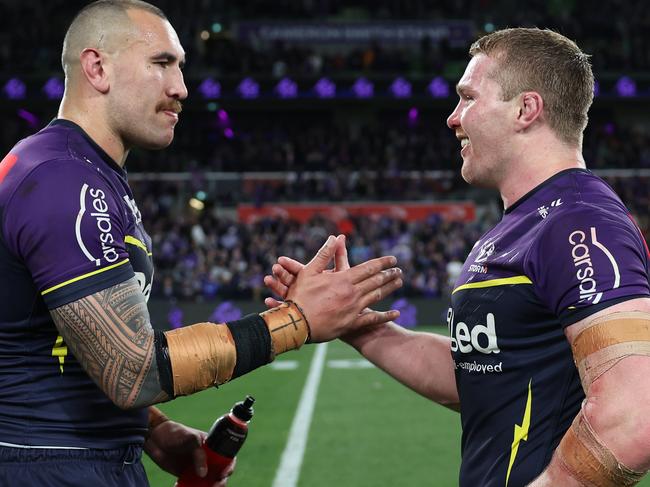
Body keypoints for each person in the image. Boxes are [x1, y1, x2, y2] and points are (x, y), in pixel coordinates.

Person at [0, 1, 403, 486]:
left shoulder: (77, 174)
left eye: (181, 68)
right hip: (48, 466)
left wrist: (152, 431)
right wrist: (294, 322)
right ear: (97, 67)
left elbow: (58, 349)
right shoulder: (64, 180)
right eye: (161, 64)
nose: (181, 88)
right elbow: (131, 370)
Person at [265, 28, 650, 486]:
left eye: (468, 97)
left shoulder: (578, 220)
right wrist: (357, 325)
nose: (452, 117)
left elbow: (633, 415)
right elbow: (485, 376)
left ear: (526, 110)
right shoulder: (519, 227)